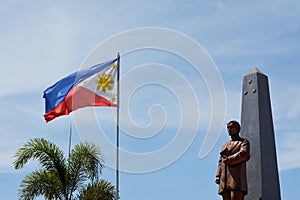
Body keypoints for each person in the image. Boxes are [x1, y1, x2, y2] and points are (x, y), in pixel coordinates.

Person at [215, 120, 250, 200]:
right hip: (224, 179)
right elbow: (220, 161)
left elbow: (244, 154)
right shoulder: (225, 145)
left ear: (237, 129)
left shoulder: (243, 142)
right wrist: (218, 175)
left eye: (231, 127)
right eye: (228, 127)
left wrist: (230, 159)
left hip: (236, 179)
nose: (229, 129)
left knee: (235, 197)